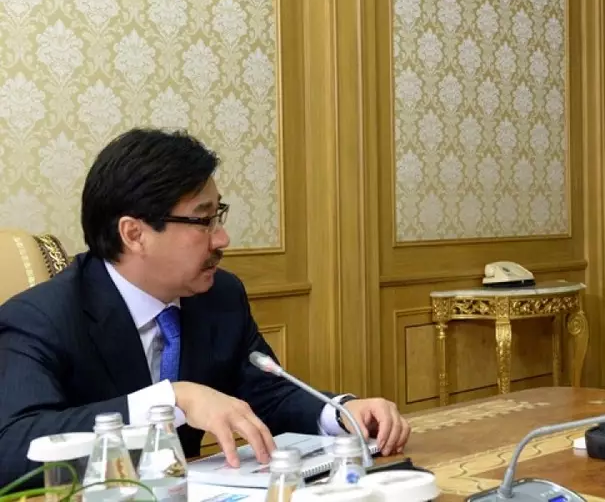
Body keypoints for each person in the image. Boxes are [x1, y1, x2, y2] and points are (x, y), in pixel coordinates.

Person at [0, 129, 410, 486]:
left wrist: (339, 413)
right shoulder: (41, 318)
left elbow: (266, 394)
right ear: (134, 234)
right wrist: (173, 400)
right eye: (203, 221)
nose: (222, 239)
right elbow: (13, 445)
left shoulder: (219, 296)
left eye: (219, 215)